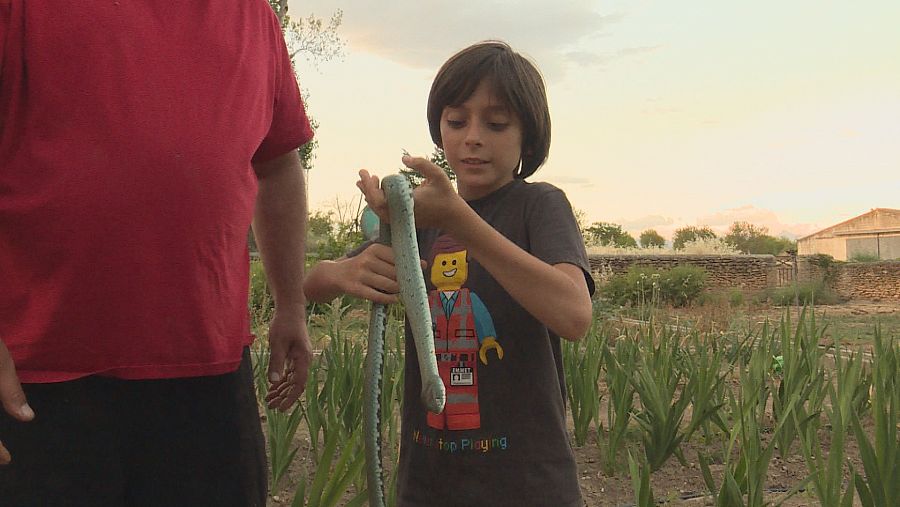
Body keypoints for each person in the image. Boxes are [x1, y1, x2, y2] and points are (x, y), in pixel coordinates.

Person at [0, 2, 312, 505]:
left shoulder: (252, 15)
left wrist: (291, 305)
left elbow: (277, 165)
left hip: (211, 381)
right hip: (36, 380)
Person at [304, 40, 595, 507]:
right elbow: (311, 285)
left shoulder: (538, 206)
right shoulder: (417, 218)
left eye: (496, 123)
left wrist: (459, 219)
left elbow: (574, 314)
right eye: (456, 121)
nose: (472, 137)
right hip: (428, 484)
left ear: (528, 135)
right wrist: (346, 272)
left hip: (529, 486)